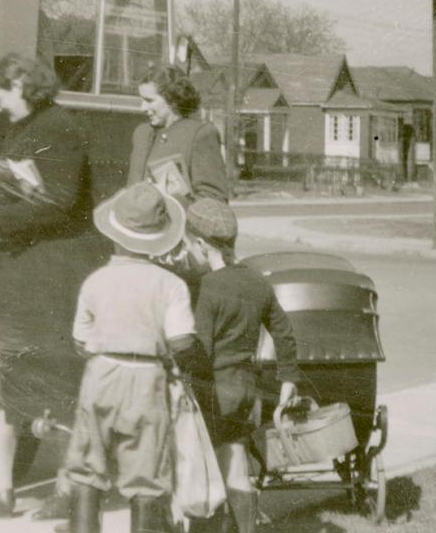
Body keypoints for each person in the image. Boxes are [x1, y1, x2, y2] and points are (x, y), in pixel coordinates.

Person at [0, 52, 106, 519]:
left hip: (47, 280)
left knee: (56, 382)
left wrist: (2, 214)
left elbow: (60, 201)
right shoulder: (24, 127)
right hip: (14, 273)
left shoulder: (60, 127)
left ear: (21, 83)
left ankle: (68, 487)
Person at [64, 183, 202, 533]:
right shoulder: (170, 285)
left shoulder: (95, 281)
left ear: (114, 234)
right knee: (147, 475)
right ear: (159, 239)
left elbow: (81, 340)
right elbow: (183, 341)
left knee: (86, 467)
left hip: (101, 373)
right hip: (146, 378)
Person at [183, 197, 300, 533]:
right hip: (245, 388)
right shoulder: (256, 281)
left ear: (202, 245)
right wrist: (289, 378)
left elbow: (199, 349)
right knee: (235, 465)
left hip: (213, 391)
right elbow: (284, 332)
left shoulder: (207, 288)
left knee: (204, 470)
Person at [128, 64, 230, 203]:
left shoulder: (199, 134)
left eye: (149, 101)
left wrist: (172, 201)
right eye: (141, 100)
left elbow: (214, 201)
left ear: (173, 100)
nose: (142, 108)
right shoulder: (141, 134)